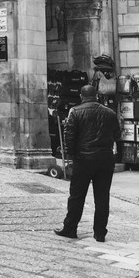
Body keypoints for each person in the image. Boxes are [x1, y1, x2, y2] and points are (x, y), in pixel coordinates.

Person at [54, 84, 121, 242]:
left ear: (81, 97)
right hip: (105, 159)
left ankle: (70, 228)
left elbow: (68, 136)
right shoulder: (110, 113)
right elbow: (117, 135)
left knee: (77, 196)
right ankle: (100, 233)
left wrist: (70, 156)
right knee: (102, 197)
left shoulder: (75, 111)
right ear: (96, 96)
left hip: (83, 159)